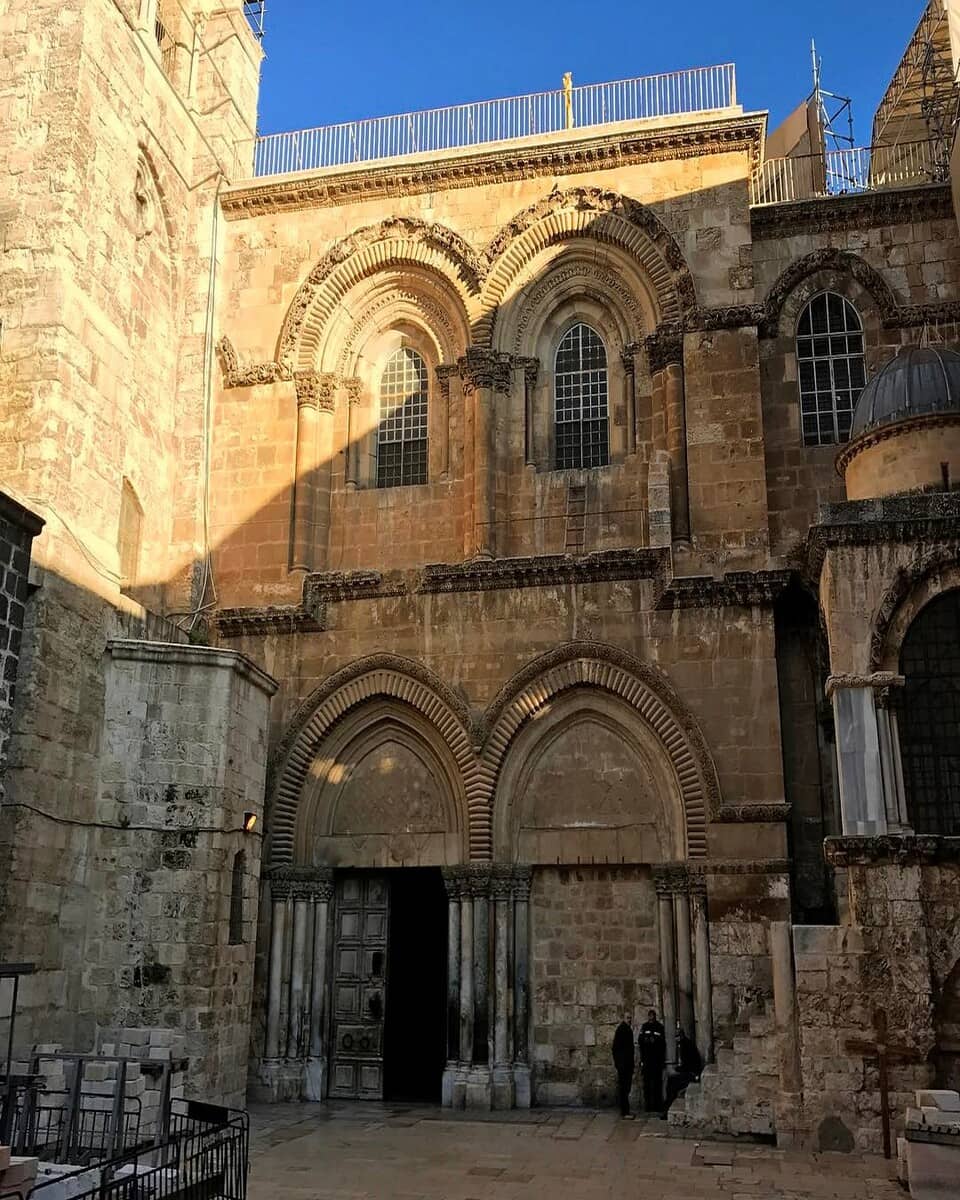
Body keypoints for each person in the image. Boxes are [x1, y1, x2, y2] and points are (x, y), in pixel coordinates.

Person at [663, 1026, 703, 1117]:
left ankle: (667, 1109)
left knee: (672, 1083)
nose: (676, 1039)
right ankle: (667, 1107)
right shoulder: (684, 1044)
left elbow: (688, 1064)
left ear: (681, 1036)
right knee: (671, 1081)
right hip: (688, 1072)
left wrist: (677, 1070)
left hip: (691, 1074)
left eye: (677, 1036)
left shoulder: (686, 1045)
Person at [638, 1009, 666, 1115]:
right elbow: (640, 1040)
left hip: (656, 1060)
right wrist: (646, 1040)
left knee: (657, 1083)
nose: (651, 1018)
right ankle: (648, 1105)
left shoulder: (659, 1027)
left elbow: (662, 1043)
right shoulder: (645, 1026)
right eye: (650, 1016)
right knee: (647, 1084)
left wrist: (655, 1041)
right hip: (647, 1060)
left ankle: (657, 1105)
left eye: (652, 1016)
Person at [612, 1012, 635, 1119]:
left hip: (626, 1064)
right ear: (624, 1018)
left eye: (630, 1018)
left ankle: (626, 1110)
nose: (629, 1020)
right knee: (624, 1088)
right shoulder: (622, 1030)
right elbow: (616, 1048)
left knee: (626, 1088)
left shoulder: (626, 1030)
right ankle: (625, 1111)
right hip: (624, 1065)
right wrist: (619, 1063)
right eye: (627, 1018)